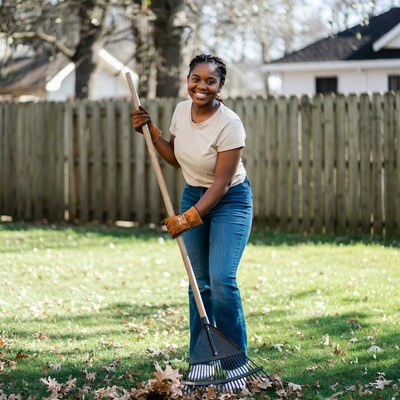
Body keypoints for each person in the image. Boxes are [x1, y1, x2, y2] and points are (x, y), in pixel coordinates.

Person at [133, 54, 253, 386]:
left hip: (230, 201)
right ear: (188, 80)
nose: (201, 86)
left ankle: (236, 364)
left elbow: (222, 183)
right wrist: (153, 132)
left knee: (221, 281)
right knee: (197, 284)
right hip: (193, 193)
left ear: (220, 86)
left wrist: (189, 218)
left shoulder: (230, 124)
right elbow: (175, 157)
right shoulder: (180, 111)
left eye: (210, 81)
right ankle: (201, 357)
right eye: (195, 79)